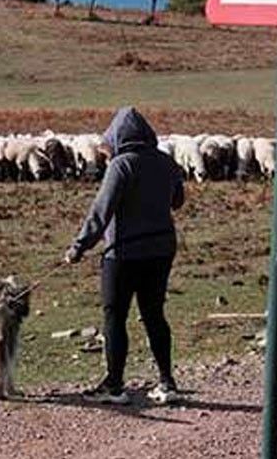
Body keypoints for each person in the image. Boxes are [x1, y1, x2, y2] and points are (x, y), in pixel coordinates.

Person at [64, 107, 185, 405]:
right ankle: (167, 382)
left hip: (124, 251)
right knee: (154, 313)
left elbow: (101, 210)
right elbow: (178, 201)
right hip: (161, 248)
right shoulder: (166, 162)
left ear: (117, 136)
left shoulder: (121, 165)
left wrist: (79, 247)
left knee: (115, 315)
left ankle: (115, 386)